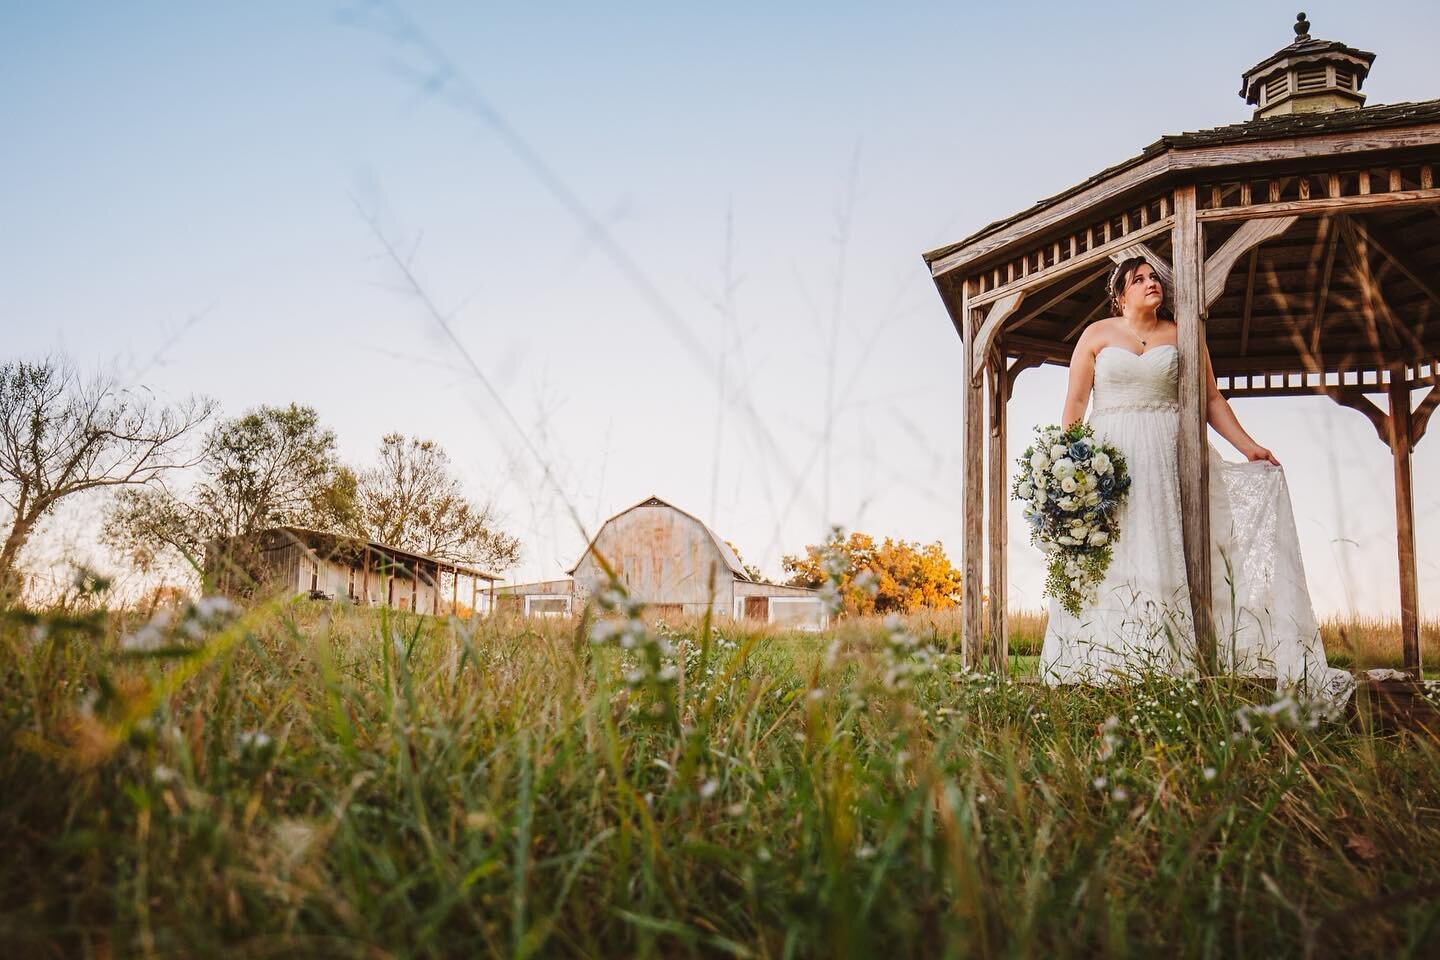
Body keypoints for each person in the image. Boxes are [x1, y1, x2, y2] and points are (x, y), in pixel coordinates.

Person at [1037, 257, 1354, 709]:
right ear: (1119, 294)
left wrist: (1249, 447)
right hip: (1111, 460)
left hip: (1172, 456)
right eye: (1139, 279)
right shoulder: (1097, 334)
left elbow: (1210, 399)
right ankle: (1103, 665)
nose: (1151, 284)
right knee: (1115, 556)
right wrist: (1071, 464)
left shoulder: (1184, 333)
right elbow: (1075, 402)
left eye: (1154, 278)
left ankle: (1179, 664)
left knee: (1178, 549)